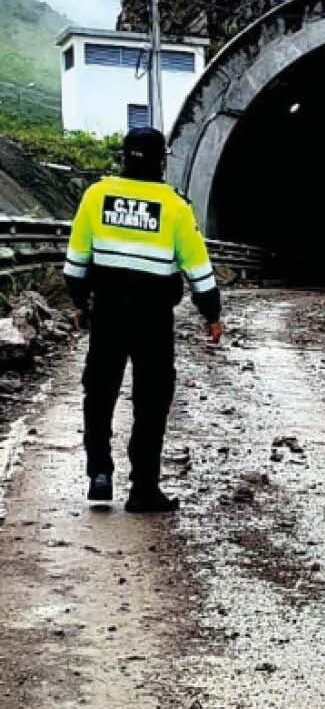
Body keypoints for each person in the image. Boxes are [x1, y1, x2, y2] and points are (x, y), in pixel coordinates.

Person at [62, 128, 222, 513]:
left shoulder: (96, 196)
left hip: (108, 315)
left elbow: (74, 265)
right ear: (162, 161)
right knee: (151, 402)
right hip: (152, 320)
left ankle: (99, 472)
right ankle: (143, 489)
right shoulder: (175, 207)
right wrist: (211, 315)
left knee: (99, 394)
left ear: (122, 157)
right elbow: (198, 269)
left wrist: (80, 303)